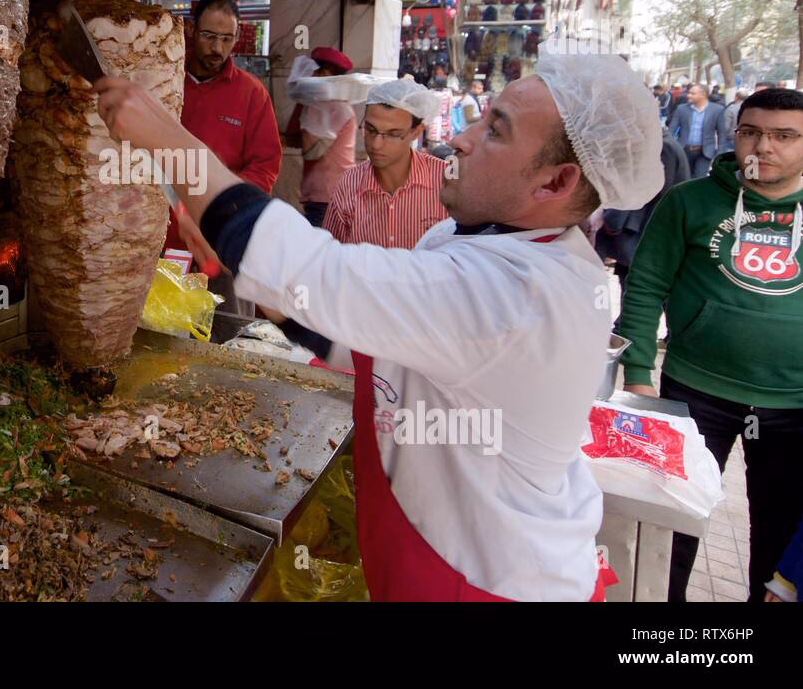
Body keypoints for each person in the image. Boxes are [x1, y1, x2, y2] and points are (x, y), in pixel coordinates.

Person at [94, 54, 664, 601]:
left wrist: (167, 139)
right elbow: (364, 341)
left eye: (496, 130)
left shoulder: (518, 295)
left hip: (482, 581)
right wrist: (262, 281)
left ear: (556, 182)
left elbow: (316, 270)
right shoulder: (484, 238)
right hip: (427, 557)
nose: (460, 138)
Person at [615, 86, 803, 602]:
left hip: (792, 405)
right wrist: (636, 372)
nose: (763, 147)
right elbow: (647, 282)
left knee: (779, 532)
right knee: (673, 518)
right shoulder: (690, 201)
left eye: (784, 136)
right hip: (695, 390)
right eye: (751, 132)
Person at [166, 0, 282, 296]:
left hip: (220, 238)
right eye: (208, 36)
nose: (217, 48)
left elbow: (265, 165)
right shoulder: (166, 82)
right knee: (156, 328)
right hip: (162, 234)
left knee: (224, 331)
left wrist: (225, 207)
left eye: (226, 39)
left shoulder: (251, 94)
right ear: (191, 29)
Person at [322, 78, 447, 250]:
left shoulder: (445, 182)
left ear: (416, 132)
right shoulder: (349, 184)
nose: (376, 144)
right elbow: (333, 256)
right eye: (371, 130)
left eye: (393, 134)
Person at [595, 124, 690, 295]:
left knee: (632, 278)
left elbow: (652, 189)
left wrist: (613, 217)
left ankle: (622, 320)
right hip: (646, 222)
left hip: (644, 223)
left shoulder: (663, 147)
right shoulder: (665, 143)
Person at [285, 46, 357, 228]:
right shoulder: (316, 105)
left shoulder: (333, 107)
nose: (311, 76)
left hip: (329, 197)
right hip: (318, 195)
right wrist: (302, 100)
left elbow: (311, 151)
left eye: (317, 71)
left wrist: (307, 101)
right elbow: (292, 138)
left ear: (328, 75)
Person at [670, 83, 726, 177]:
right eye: (689, 93)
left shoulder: (717, 110)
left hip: (705, 152)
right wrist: (670, 147)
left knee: (699, 177)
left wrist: (720, 154)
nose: (688, 95)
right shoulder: (681, 109)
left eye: (692, 93)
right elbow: (672, 129)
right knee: (683, 177)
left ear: (703, 94)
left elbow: (721, 133)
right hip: (684, 149)